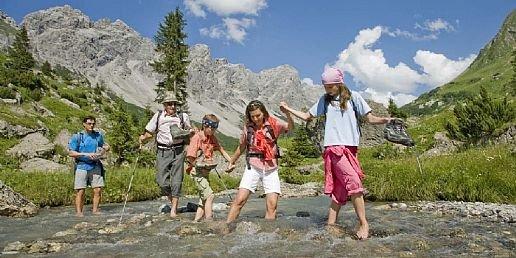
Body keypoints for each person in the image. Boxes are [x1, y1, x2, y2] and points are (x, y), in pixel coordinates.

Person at [280, 67, 392, 240]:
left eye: (330, 86)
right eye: (325, 86)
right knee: (354, 183)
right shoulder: (324, 101)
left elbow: (369, 118)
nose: (327, 90)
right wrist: (288, 110)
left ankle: (330, 225)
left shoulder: (354, 98)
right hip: (334, 149)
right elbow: (307, 116)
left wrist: (385, 120)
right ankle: (363, 223)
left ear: (339, 83)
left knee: (340, 190)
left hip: (351, 150)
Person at [225, 100, 293, 223]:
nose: (256, 119)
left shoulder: (274, 124)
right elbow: (241, 147)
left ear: (264, 113)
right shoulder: (248, 128)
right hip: (253, 167)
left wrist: (287, 113)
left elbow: (290, 127)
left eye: (258, 115)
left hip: (271, 168)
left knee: (272, 205)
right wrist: (232, 161)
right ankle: (227, 226)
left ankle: (268, 234)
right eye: (253, 116)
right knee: (240, 200)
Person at [138, 91, 193, 218]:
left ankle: (174, 210)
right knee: (161, 181)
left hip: (178, 151)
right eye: (169, 104)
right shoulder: (158, 116)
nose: (172, 107)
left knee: (177, 181)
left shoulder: (182, 117)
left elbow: (190, 131)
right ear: (164, 105)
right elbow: (149, 133)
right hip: (162, 151)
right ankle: (172, 201)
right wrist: (142, 138)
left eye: (174, 104)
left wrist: (189, 133)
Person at [186, 114, 232, 222]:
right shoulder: (197, 138)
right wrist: (199, 164)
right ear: (204, 125)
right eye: (209, 128)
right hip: (196, 172)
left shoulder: (212, 138)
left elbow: (222, 150)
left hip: (205, 173)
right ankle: (209, 221)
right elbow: (190, 156)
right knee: (210, 196)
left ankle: (195, 222)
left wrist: (231, 162)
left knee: (204, 199)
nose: (211, 130)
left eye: (214, 128)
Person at [68, 116, 110, 217]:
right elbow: (71, 153)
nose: (91, 125)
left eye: (93, 124)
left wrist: (106, 148)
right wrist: (86, 155)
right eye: (89, 123)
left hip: (95, 165)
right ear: (84, 124)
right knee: (80, 190)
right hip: (81, 165)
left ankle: (95, 211)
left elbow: (103, 145)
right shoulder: (77, 137)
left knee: (98, 189)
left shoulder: (98, 136)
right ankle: (79, 212)